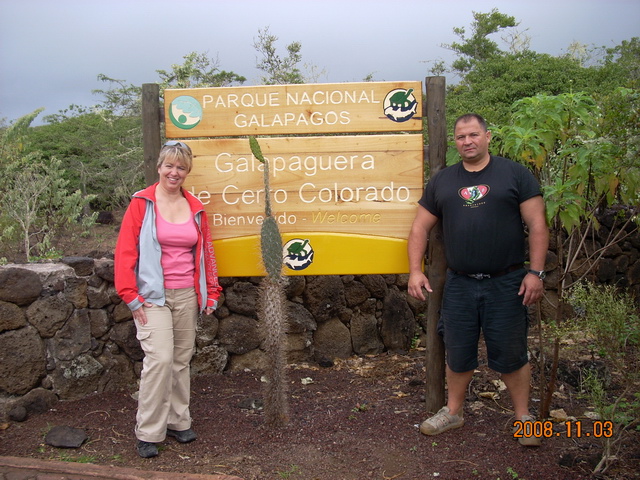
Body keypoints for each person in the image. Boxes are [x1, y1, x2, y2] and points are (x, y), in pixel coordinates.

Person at [407, 113, 548, 447]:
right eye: (460, 137)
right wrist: (415, 270)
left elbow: (538, 225)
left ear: (487, 136)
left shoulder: (515, 174)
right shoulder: (443, 181)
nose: (467, 142)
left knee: (512, 352)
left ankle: (524, 418)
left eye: (473, 135)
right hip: (460, 283)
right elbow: (419, 228)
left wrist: (536, 273)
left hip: (507, 282)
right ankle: (453, 412)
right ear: (455, 142)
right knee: (457, 351)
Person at [115, 140, 222, 458]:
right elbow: (125, 252)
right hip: (152, 297)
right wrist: (131, 296)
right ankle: (148, 431)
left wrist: (211, 292)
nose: (174, 172)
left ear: (187, 171)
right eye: (169, 166)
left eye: (181, 167)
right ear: (159, 167)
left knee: (179, 360)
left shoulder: (195, 207)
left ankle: (178, 420)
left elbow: (206, 252)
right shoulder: (142, 203)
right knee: (159, 359)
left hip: (186, 294)